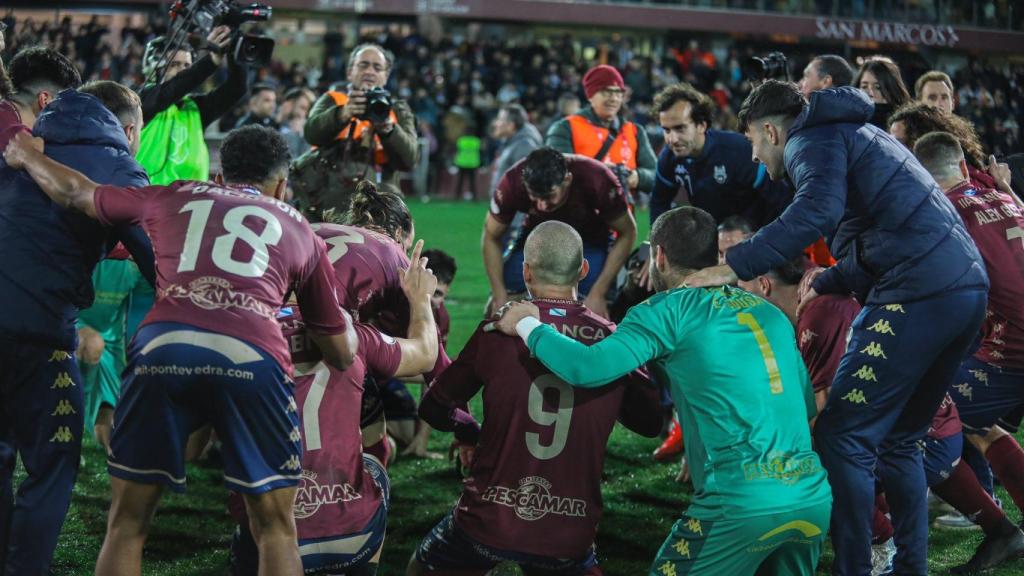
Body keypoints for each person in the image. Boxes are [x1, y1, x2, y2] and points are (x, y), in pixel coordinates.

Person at [3, 124, 358, 576]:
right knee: (275, 528)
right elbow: (340, 352)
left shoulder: (172, 194)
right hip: (252, 354)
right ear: (282, 184)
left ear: (218, 173)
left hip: (163, 346)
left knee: (126, 523)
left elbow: (78, 193)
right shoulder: (299, 227)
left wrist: (28, 155)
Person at [683, 80, 988, 575]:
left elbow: (817, 211)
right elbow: (885, 230)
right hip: (963, 287)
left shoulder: (810, 140)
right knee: (899, 440)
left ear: (769, 131)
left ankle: (857, 567)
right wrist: (828, 278)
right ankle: (910, 568)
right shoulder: (855, 132)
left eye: (755, 147)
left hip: (918, 289)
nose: (758, 160)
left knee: (842, 437)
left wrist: (735, 263)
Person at [494, 207, 832, 576]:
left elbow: (586, 368)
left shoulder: (664, 310)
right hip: (810, 498)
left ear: (659, 256)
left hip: (739, 503)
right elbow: (805, 406)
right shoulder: (768, 313)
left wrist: (527, 323)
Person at [740, 255, 1024, 575]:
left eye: (740, 288)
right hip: (939, 425)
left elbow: (826, 415)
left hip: (919, 439)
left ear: (763, 286)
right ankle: (1000, 530)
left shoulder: (819, 315)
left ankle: (882, 545)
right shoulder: (834, 296)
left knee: (809, 460)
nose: (737, 297)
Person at [410, 221, 660, 576]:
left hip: (488, 518)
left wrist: (470, 432)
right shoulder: (612, 341)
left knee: (419, 568)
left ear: (526, 272)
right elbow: (651, 423)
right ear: (584, 270)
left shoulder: (496, 331)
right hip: (568, 534)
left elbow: (434, 407)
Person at [0, 51, 154, 576]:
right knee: (52, 467)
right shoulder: (116, 163)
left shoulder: (19, 143)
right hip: (39, 332)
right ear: (128, 128)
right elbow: (154, 253)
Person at [229, 241, 441, 576]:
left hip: (268, 533)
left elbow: (193, 445)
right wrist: (420, 300)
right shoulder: (352, 335)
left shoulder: (240, 334)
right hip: (352, 534)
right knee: (375, 450)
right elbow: (426, 355)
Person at [913, 131, 1024, 573]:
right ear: (963, 167)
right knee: (977, 421)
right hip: (1010, 341)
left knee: (921, 417)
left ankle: (1002, 533)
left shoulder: (942, 213)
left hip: (1012, 349)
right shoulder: (1002, 197)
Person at [73, 80, 154, 453]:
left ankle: (99, 413)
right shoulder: (129, 182)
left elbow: (122, 329)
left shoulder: (48, 164)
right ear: (131, 132)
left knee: (106, 343)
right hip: (57, 319)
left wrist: (109, 404)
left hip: (89, 317)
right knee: (89, 342)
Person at [483, 147, 637, 319]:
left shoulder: (597, 178)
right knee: (501, 309)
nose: (542, 205)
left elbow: (628, 231)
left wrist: (598, 293)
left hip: (590, 243)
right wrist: (498, 294)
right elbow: (490, 234)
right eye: (534, 196)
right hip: (536, 243)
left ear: (568, 180)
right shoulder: (512, 182)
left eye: (549, 196)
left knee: (597, 313)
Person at [648, 83, 791, 228]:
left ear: (702, 125)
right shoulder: (669, 158)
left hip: (756, 232)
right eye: (666, 130)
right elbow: (659, 203)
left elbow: (780, 199)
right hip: (715, 234)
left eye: (680, 128)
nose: (672, 139)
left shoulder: (739, 151)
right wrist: (659, 244)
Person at [304, 43, 418, 210]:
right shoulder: (333, 99)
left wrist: (389, 129)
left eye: (377, 67)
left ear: (386, 76)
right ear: (350, 72)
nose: (370, 71)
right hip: (332, 205)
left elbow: (410, 159)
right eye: (363, 65)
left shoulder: (398, 110)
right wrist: (343, 113)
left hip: (382, 209)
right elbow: (311, 133)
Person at [136, 25, 249, 185]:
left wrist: (234, 50)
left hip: (191, 203)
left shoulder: (196, 107)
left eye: (187, 66)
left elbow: (237, 88)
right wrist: (211, 60)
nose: (182, 71)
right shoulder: (139, 99)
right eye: (174, 64)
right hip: (147, 199)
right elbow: (173, 90)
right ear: (153, 69)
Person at [546, 64, 657, 203]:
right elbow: (554, 175)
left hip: (623, 221)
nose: (614, 98)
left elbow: (656, 174)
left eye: (618, 93)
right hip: (579, 218)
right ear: (590, 96)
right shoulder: (565, 128)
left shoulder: (635, 131)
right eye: (606, 92)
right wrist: (600, 177)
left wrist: (637, 177)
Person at [489, 104, 542, 195]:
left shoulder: (524, 146)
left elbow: (524, 187)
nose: (496, 123)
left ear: (511, 125)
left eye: (500, 119)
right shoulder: (511, 142)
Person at [853, 57, 911, 128]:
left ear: (891, 90)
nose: (871, 93)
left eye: (878, 88)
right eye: (864, 87)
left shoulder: (907, 125)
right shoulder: (846, 122)